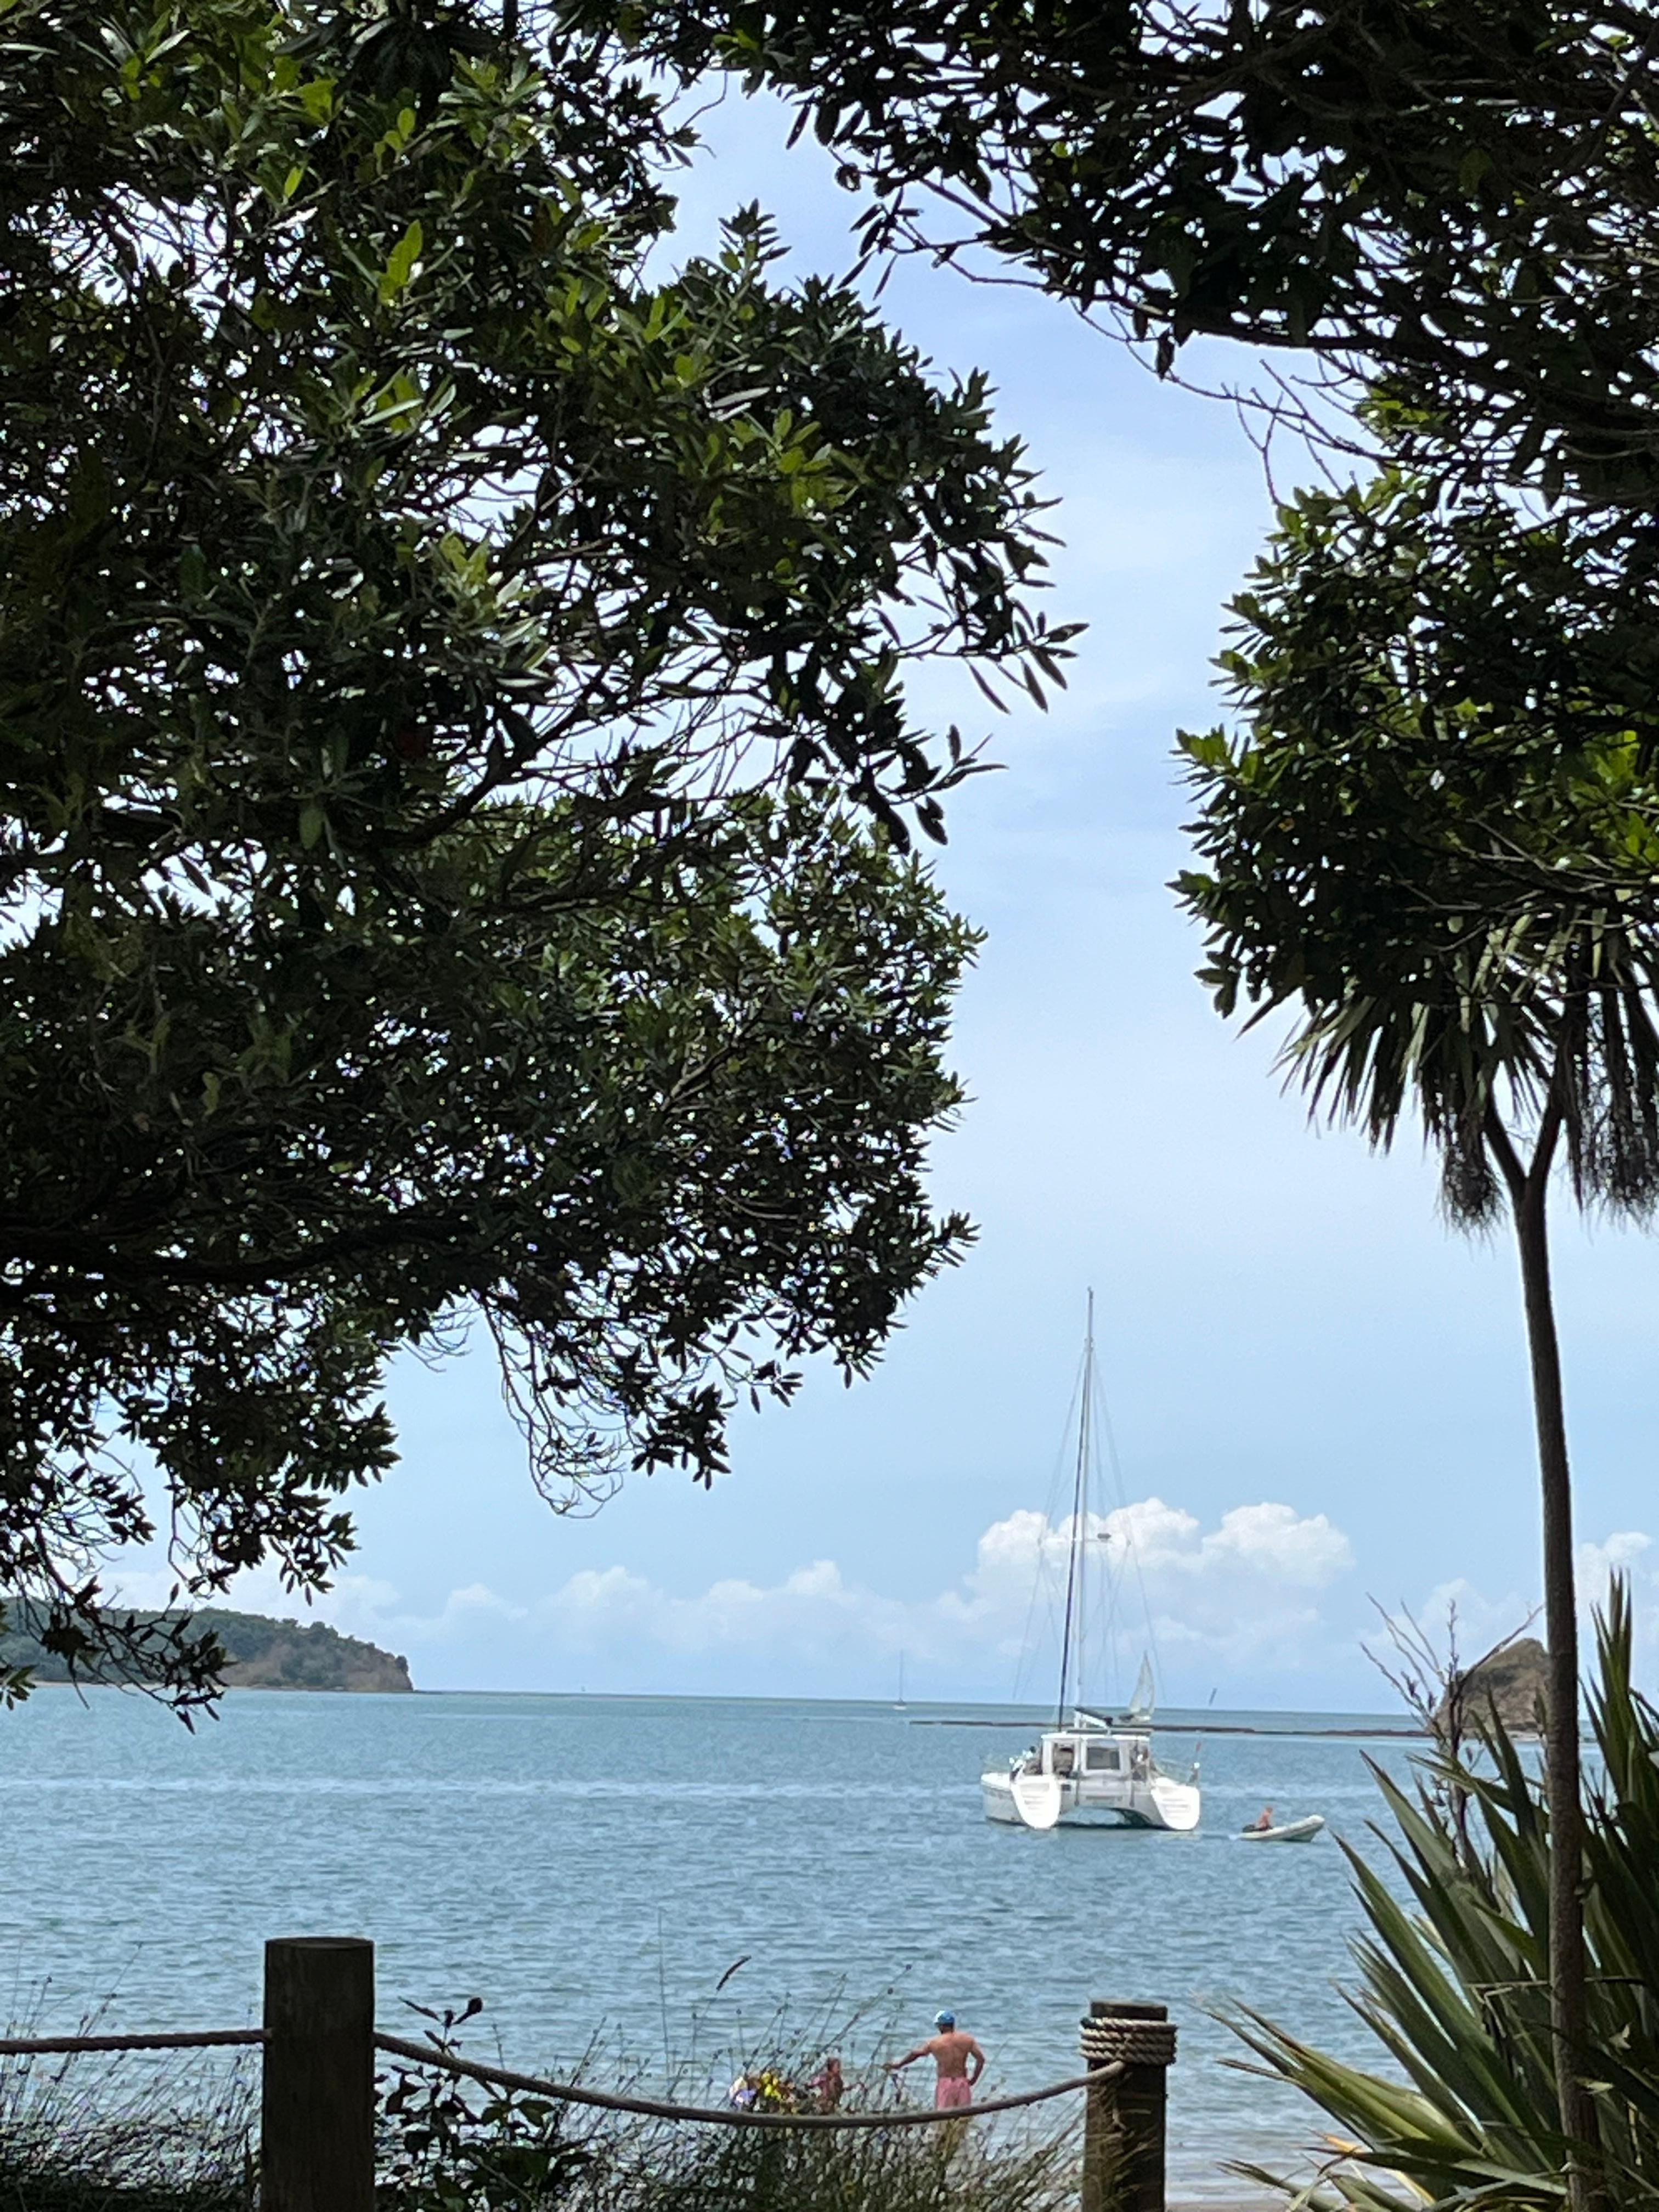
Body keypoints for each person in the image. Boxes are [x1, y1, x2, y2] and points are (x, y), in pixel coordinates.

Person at [887, 2010, 986, 2109]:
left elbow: (915, 2054)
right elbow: (981, 2060)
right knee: (963, 2117)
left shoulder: (935, 2042)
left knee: (943, 2117)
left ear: (941, 2026)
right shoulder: (968, 2040)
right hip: (962, 2083)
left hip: (945, 2083)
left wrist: (899, 2065)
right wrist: (974, 2079)